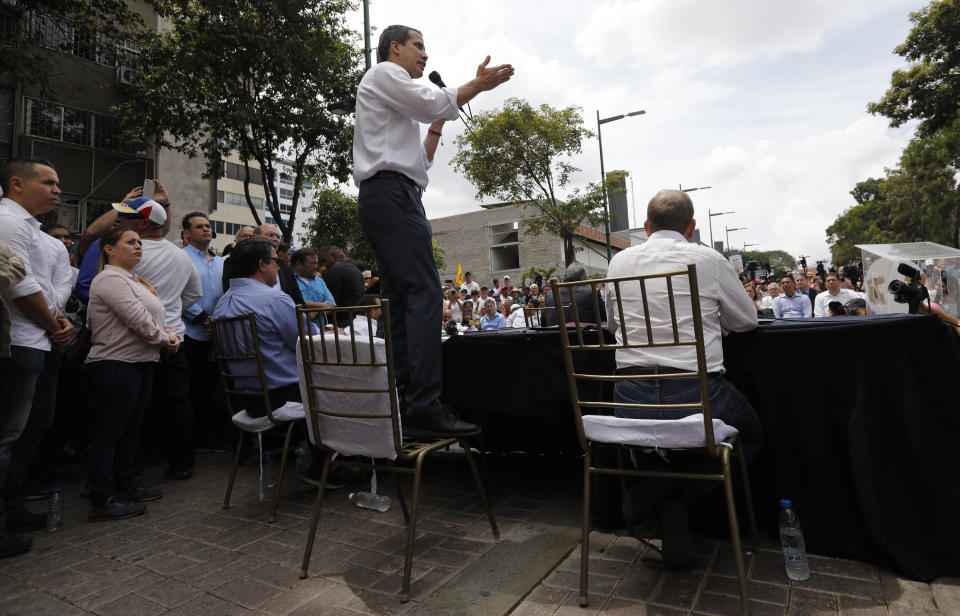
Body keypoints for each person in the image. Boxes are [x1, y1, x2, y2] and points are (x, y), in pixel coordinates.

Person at [352, 23, 513, 438]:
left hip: (391, 196)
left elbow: (419, 165)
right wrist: (475, 85)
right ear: (395, 48)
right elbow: (430, 102)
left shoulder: (393, 101)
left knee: (402, 299)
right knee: (424, 293)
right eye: (418, 46)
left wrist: (439, 125)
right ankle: (423, 404)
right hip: (392, 197)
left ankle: (407, 401)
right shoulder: (387, 73)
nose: (424, 55)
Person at [605, 189, 763, 569]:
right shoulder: (708, 258)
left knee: (650, 441)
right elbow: (746, 321)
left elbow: (613, 326)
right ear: (691, 228)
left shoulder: (619, 262)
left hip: (630, 398)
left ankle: (663, 491)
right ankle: (677, 487)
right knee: (753, 434)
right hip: (696, 394)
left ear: (646, 227)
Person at [0, 158, 74, 556]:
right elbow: (19, 284)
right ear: (17, 183)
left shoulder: (35, 230)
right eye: (49, 182)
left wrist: (58, 321)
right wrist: (53, 323)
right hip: (20, 340)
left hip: (42, 339)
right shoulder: (6, 220)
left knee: (34, 426)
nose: (57, 190)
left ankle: (13, 506)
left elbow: (52, 284)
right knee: (7, 434)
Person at [86, 225, 179, 520]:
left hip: (141, 362)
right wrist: (165, 340)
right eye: (130, 242)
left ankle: (126, 485)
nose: (138, 246)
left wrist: (170, 335)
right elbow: (137, 319)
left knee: (131, 429)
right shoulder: (109, 279)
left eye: (140, 242)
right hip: (116, 364)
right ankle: (103, 497)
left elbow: (157, 317)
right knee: (110, 431)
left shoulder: (136, 280)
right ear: (109, 249)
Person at [116, 196, 202, 480]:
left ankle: (134, 462)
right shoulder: (182, 255)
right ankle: (182, 462)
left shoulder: (127, 254)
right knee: (176, 401)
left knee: (133, 404)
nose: (120, 223)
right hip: (175, 338)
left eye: (126, 218)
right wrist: (170, 313)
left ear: (142, 223)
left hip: (134, 339)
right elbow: (193, 295)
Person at [212, 239, 316, 414]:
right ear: (262, 264)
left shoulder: (222, 304)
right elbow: (310, 342)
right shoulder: (274, 299)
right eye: (276, 261)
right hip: (286, 396)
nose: (279, 267)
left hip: (244, 399)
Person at [180, 212, 230, 453]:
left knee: (211, 389)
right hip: (190, 333)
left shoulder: (221, 262)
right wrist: (202, 318)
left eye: (208, 226)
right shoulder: (180, 258)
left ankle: (211, 436)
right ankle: (191, 440)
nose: (206, 230)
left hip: (216, 335)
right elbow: (176, 292)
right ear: (186, 233)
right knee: (189, 390)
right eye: (200, 226)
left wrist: (217, 321)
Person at [223, 224, 305, 307]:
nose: (275, 239)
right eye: (271, 235)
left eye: (278, 237)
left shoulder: (285, 266)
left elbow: (298, 299)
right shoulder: (234, 261)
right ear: (255, 237)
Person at [542, 262, 600, 326]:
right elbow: (604, 317)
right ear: (584, 279)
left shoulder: (549, 294)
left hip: (553, 334)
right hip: (585, 334)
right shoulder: (592, 292)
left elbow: (544, 321)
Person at [321, 245, 365, 327]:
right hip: (356, 318)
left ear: (333, 257)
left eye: (325, 260)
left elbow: (330, 299)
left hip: (340, 319)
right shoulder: (355, 269)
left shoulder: (334, 270)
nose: (324, 264)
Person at [292, 248, 336, 325]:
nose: (316, 266)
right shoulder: (289, 281)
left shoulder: (320, 281)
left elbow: (332, 304)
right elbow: (292, 303)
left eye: (316, 263)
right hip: (299, 333)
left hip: (320, 334)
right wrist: (321, 306)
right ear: (299, 263)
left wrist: (315, 312)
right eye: (312, 263)